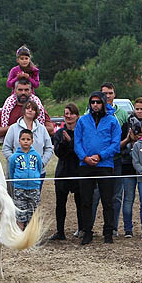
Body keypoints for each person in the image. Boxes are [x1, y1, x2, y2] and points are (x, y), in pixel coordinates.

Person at [74, 91, 121, 245]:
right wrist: (85, 158)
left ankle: (108, 232)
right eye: (92, 102)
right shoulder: (82, 121)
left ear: (103, 103)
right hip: (86, 165)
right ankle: (87, 232)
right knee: (86, 201)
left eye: (98, 102)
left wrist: (101, 156)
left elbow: (115, 144)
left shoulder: (112, 121)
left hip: (105, 165)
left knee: (108, 201)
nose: (95, 105)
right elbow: (77, 143)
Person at [100, 83, 132, 237]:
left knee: (116, 196)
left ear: (114, 94)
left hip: (117, 159)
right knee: (94, 195)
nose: (107, 96)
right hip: (99, 160)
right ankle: (87, 227)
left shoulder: (123, 114)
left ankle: (113, 227)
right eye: (104, 93)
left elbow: (126, 135)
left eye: (110, 93)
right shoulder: (91, 111)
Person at [117, 97, 142, 237]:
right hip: (128, 164)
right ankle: (128, 228)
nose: (139, 111)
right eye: (137, 108)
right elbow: (120, 145)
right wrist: (130, 140)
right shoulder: (127, 124)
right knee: (128, 198)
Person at [50, 103, 82, 240]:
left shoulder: (82, 133)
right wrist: (65, 143)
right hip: (63, 172)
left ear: (77, 116)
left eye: (71, 113)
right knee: (60, 204)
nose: (68, 116)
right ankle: (60, 231)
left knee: (81, 203)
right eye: (66, 113)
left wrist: (71, 143)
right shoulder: (58, 133)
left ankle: (82, 229)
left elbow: (80, 153)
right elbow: (59, 153)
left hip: (78, 171)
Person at [2, 100, 54, 171]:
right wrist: (15, 162)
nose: (30, 110)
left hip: (38, 172)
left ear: (36, 112)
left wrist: (42, 163)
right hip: (18, 172)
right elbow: (6, 148)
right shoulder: (13, 128)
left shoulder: (42, 129)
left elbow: (49, 148)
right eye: (28, 108)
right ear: (24, 110)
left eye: (33, 109)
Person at [8, 128, 43, 229]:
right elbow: (12, 170)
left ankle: (31, 237)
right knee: (20, 215)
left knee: (33, 216)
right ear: (19, 141)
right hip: (19, 189)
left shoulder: (36, 156)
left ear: (32, 141)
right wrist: (17, 183)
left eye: (28, 139)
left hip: (34, 189)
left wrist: (35, 180)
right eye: (23, 139)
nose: (25, 141)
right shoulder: (14, 157)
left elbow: (39, 168)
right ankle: (20, 237)